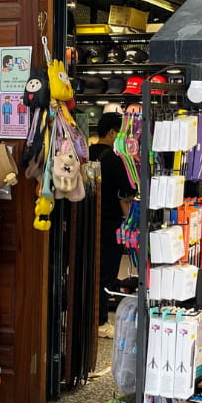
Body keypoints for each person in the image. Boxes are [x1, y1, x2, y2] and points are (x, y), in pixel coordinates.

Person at [89, 112, 135, 339]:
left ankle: (86, 320)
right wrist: (131, 225)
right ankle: (99, 322)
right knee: (105, 275)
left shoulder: (85, 155)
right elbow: (124, 196)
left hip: (87, 223)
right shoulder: (114, 160)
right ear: (112, 133)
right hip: (110, 226)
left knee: (88, 272)